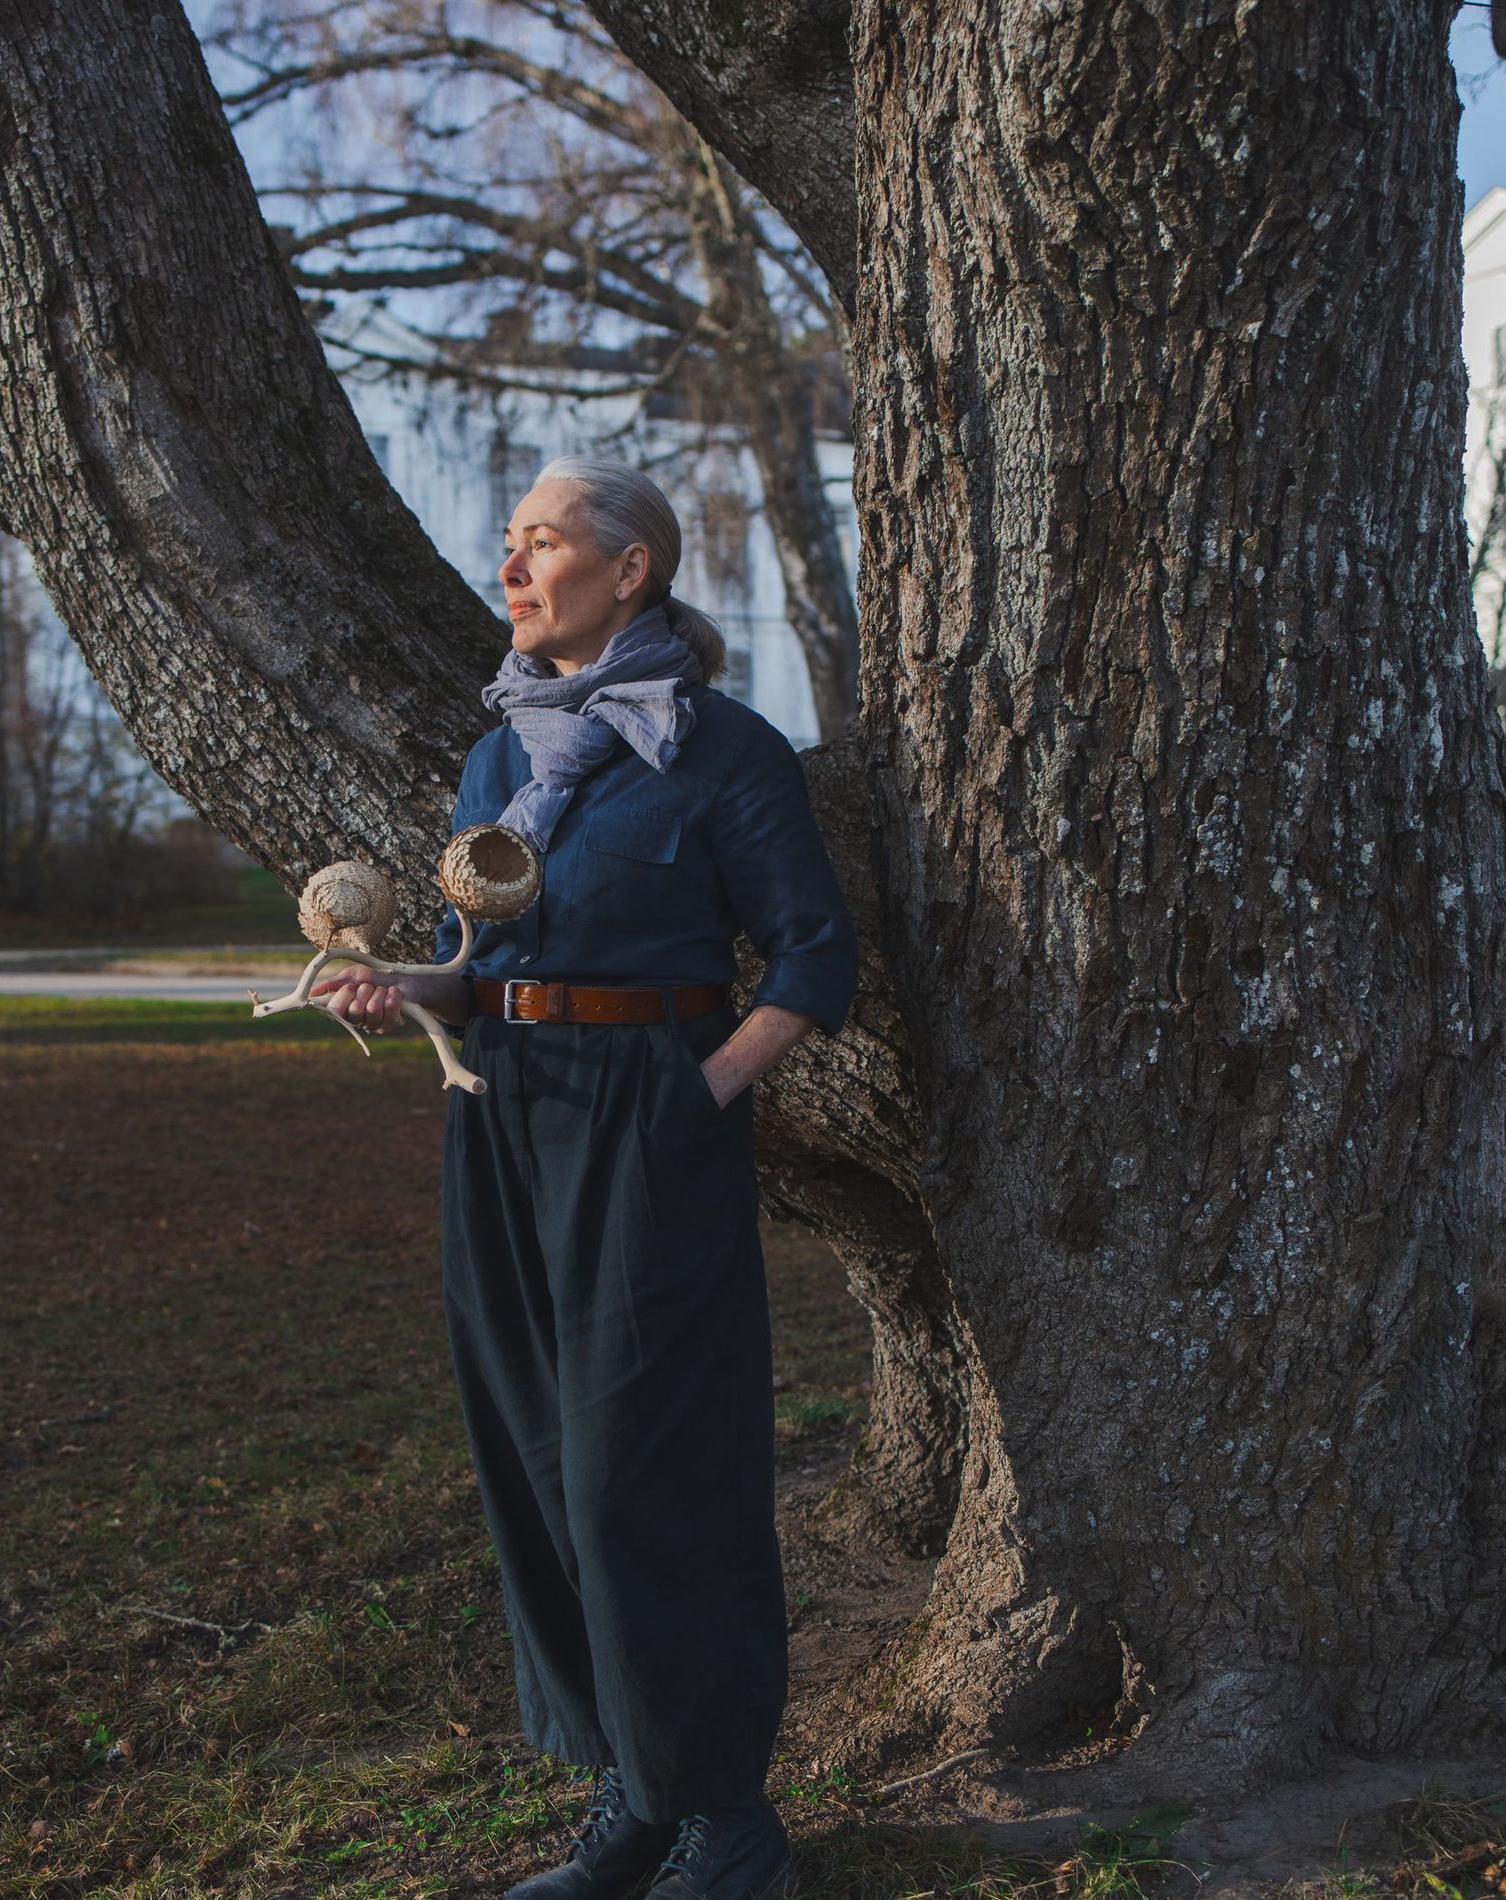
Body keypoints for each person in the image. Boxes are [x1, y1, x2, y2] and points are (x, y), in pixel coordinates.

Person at [312, 456, 856, 1900]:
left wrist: (703, 1092)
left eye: (540, 543)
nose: (511, 566)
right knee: (540, 1459)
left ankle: (728, 1821)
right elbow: (484, 964)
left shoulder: (726, 750)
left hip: (647, 1117)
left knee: (646, 1476)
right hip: (500, 1107)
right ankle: (634, 1793)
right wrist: (401, 986)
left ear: (632, 572)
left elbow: (815, 959)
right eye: (509, 543)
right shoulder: (501, 754)